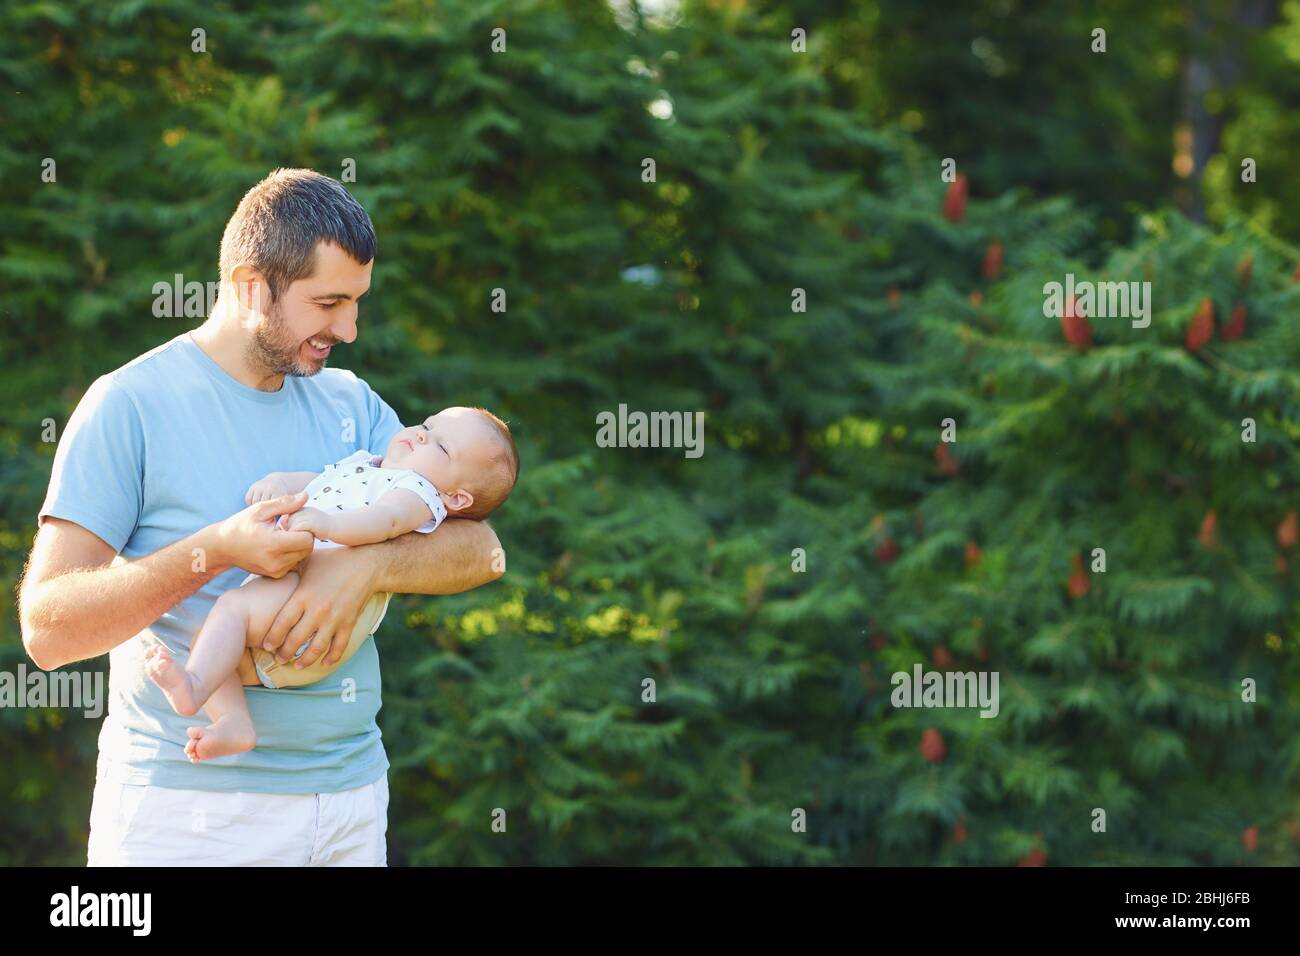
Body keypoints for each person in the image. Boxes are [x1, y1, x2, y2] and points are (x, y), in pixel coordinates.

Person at [16, 168, 504, 866]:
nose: (350, 328)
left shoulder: (353, 405)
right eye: (329, 302)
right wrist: (212, 553)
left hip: (348, 802)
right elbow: (49, 631)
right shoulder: (128, 405)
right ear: (251, 285)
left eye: (357, 302)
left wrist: (368, 563)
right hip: (187, 816)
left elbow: (481, 547)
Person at [144, 406, 519, 763]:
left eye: (440, 446)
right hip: (290, 590)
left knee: (230, 610)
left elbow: (385, 520)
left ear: (456, 497)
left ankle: (193, 688)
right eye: (427, 425)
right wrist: (282, 482)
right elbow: (319, 482)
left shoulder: (418, 494)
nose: (422, 437)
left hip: (311, 610)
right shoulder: (366, 464)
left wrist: (328, 525)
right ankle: (233, 723)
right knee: (210, 641)